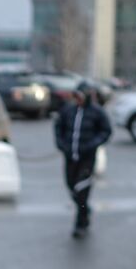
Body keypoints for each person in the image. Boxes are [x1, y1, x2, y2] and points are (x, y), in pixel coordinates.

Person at [54, 80, 111, 239]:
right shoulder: (68, 111)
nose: (77, 99)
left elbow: (106, 131)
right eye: (76, 96)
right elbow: (59, 127)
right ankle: (84, 210)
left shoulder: (97, 112)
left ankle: (80, 223)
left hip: (87, 158)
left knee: (82, 190)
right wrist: (61, 144)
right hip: (70, 157)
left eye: (80, 96)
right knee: (71, 186)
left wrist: (92, 145)